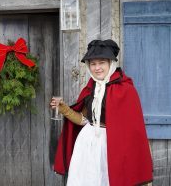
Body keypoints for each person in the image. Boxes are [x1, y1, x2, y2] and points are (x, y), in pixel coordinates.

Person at [51, 39, 153, 186]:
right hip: (87, 144)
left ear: (111, 64)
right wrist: (64, 109)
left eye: (101, 63)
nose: (97, 68)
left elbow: (133, 131)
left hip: (113, 147)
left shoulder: (126, 90)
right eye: (93, 64)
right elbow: (83, 120)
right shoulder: (90, 88)